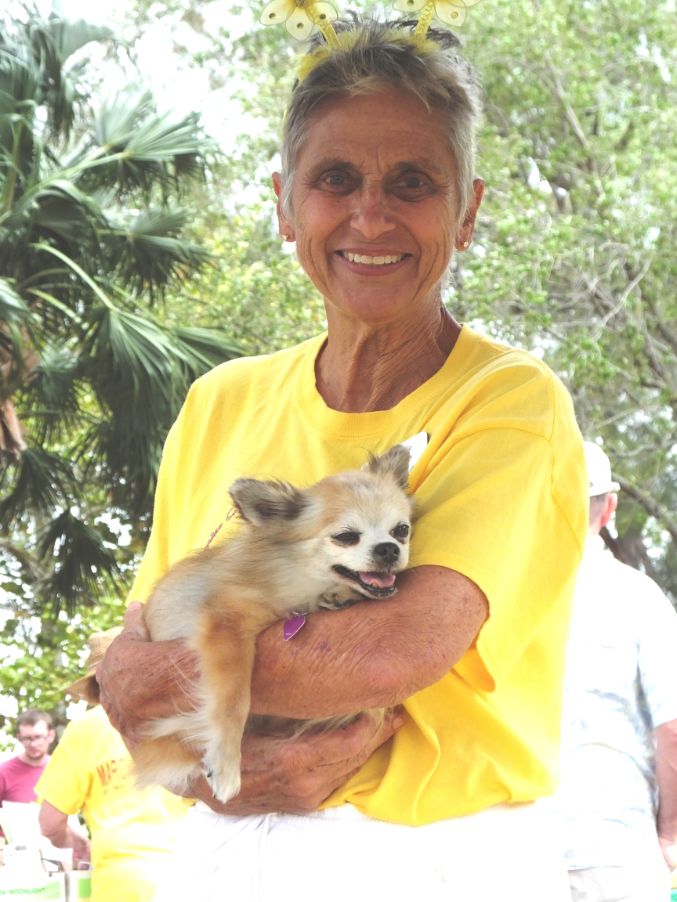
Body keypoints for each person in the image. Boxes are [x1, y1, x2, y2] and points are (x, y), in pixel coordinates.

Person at [97, 12, 589, 902]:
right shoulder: (220, 401)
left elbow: (390, 653)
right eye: (335, 179)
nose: (370, 213)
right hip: (220, 848)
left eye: (413, 181)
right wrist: (145, 682)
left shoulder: (510, 401)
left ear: (467, 211)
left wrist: (172, 675)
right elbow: (131, 655)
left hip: (436, 859)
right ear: (285, 205)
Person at [556, 442, 677, 901]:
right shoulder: (641, 598)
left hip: (515, 844)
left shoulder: (499, 599)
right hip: (617, 847)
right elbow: (673, 728)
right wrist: (668, 833)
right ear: (609, 508)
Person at [36, 628, 191, 902]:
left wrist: (77, 845)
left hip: (118, 882)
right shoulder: (178, 720)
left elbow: (50, 823)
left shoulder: (85, 729)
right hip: (186, 875)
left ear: (96, 684)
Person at [0, 710, 55, 809]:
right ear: (18, 738)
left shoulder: (62, 769)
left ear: (50, 736)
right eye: (27, 738)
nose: (33, 744)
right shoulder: (3, 772)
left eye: (38, 737)